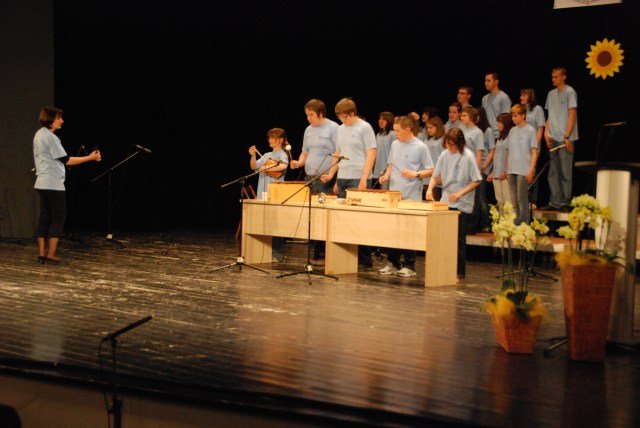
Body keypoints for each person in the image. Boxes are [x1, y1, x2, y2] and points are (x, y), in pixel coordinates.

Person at [33, 106, 102, 263]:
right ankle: (50, 255)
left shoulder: (39, 134)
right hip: (53, 183)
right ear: (51, 120)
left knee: (44, 218)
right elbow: (66, 160)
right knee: (58, 218)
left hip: (42, 182)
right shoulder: (51, 138)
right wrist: (90, 157)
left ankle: (42, 253)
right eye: (59, 118)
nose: (62, 121)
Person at [323, 97, 377, 269]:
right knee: (343, 220)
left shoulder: (365, 127)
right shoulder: (340, 129)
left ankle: (365, 259)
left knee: (360, 220)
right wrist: (333, 175)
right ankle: (347, 258)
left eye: (344, 116)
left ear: (352, 113)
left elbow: (371, 154)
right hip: (343, 177)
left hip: (358, 176)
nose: (341, 119)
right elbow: (338, 153)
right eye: (339, 117)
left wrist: (364, 178)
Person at [378, 116, 433, 277]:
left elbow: (431, 170)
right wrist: (386, 175)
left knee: (409, 231)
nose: (396, 134)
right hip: (395, 195)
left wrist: (415, 174)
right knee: (393, 230)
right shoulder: (395, 144)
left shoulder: (420, 146)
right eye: (394, 130)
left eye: (398, 131)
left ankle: (410, 265)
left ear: (408, 129)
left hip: (411, 196)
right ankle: (393, 263)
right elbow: (391, 163)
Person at [426, 128, 481, 281]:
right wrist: (429, 189)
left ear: (460, 143)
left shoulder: (468, 156)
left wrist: (459, 194)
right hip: (446, 200)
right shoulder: (444, 155)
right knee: (443, 237)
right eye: (447, 144)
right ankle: (444, 268)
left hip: (462, 202)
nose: (449, 147)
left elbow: (476, 180)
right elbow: (435, 176)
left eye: (452, 145)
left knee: (458, 239)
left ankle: (459, 272)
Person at [290, 99, 339, 259]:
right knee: (312, 215)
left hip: (325, 178)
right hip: (309, 178)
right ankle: (315, 249)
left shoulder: (333, 128)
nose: (308, 118)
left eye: (311, 114)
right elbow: (305, 152)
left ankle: (323, 250)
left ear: (321, 113)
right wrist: (299, 163)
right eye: (307, 115)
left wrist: (332, 175)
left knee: (323, 215)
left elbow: (338, 154)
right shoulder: (308, 130)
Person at [249, 128, 289, 262]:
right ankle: (264, 252)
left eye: (273, 137)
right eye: (269, 138)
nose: (270, 140)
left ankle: (277, 255)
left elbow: (283, 166)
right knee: (264, 223)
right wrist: (253, 155)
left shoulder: (283, 154)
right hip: (263, 192)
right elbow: (254, 167)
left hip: (275, 193)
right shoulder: (266, 155)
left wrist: (266, 168)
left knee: (275, 225)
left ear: (281, 140)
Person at [542, 67, 578, 212]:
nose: (553, 79)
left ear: (563, 77)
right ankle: (554, 201)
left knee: (565, 171)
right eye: (552, 77)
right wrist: (546, 132)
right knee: (553, 171)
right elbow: (550, 116)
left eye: (556, 76)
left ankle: (565, 202)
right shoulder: (550, 94)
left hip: (565, 138)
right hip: (553, 136)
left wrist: (567, 136)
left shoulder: (570, 92)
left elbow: (572, 115)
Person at [506, 104, 538, 225]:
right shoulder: (512, 131)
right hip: (511, 169)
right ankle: (516, 223)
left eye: (515, 115)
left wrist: (531, 170)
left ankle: (524, 223)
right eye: (512, 116)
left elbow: (534, 152)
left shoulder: (530, 130)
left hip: (523, 169)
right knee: (514, 200)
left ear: (523, 115)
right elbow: (509, 150)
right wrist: (506, 168)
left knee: (522, 198)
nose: (513, 118)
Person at [459, 106, 486, 234]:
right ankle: (463, 224)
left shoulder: (477, 132)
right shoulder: (461, 129)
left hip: (471, 168)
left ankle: (472, 226)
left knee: (473, 198)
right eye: (462, 115)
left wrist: (475, 170)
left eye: (464, 115)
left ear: (471, 117)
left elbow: (479, 153)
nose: (462, 117)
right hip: (461, 167)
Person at [520, 88, 545, 208]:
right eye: (521, 95)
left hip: (533, 145)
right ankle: (524, 199)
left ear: (530, 96)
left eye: (524, 95)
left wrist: (535, 144)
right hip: (522, 145)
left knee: (532, 171)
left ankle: (533, 200)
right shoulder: (521, 110)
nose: (521, 97)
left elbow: (540, 127)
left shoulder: (537, 109)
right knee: (523, 171)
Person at [487, 113, 514, 209]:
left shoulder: (510, 137)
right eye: (497, 122)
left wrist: (505, 171)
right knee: (499, 201)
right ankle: (502, 218)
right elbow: (496, 156)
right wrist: (492, 172)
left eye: (500, 123)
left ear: (506, 123)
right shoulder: (500, 137)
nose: (498, 125)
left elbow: (510, 155)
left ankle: (509, 218)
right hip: (497, 173)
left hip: (505, 173)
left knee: (507, 201)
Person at [481, 72, 512, 138]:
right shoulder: (484, 98)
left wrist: (503, 135)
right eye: (485, 81)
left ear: (496, 82)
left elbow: (506, 119)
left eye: (488, 81)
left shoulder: (503, 97)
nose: (485, 83)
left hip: (499, 135)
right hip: (486, 135)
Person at [423, 116, 445, 201]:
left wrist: (442, 176)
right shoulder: (427, 140)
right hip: (426, 177)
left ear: (438, 127)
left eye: (431, 128)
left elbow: (444, 160)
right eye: (427, 128)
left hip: (437, 177)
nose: (428, 130)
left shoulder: (442, 140)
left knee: (434, 202)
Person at [373, 111, 396, 190]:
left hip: (388, 170)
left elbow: (395, 153)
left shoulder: (393, 134)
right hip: (378, 169)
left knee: (385, 192)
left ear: (389, 121)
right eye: (380, 119)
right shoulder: (378, 135)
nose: (380, 121)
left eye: (383, 119)